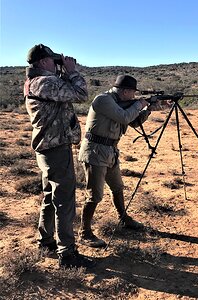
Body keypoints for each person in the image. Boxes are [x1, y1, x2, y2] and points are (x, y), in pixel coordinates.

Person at [24, 43, 94, 268]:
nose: (57, 64)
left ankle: (45, 241)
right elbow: (81, 94)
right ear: (44, 62)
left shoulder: (36, 82)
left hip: (47, 148)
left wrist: (63, 72)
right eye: (54, 61)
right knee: (64, 200)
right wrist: (72, 71)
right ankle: (68, 254)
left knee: (50, 197)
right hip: (56, 149)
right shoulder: (44, 82)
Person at [78, 75, 151, 248]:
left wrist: (149, 109)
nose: (134, 96)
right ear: (125, 91)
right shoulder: (103, 100)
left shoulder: (120, 103)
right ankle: (85, 233)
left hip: (110, 151)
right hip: (95, 151)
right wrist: (140, 104)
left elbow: (133, 122)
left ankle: (123, 218)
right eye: (132, 93)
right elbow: (125, 117)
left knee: (117, 187)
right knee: (94, 195)